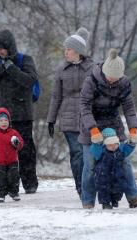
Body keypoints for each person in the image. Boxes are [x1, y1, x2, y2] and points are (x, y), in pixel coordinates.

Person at [79, 48, 137, 209]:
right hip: (91, 124)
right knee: (90, 165)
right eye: (110, 77)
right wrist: (93, 129)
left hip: (113, 124)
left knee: (123, 161)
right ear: (104, 71)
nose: (112, 80)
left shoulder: (123, 83)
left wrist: (133, 129)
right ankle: (88, 201)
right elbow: (85, 107)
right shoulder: (91, 81)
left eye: (116, 78)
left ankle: (133, 197)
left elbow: (129, 108)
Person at [0, 29, 38, 194]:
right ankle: (6, 185)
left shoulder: (25, 60)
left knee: (26, 150)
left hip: (23, 115)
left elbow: (29, 80)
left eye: (2, 48)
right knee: (3, 152)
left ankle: (30, 183)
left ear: (10, 47)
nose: (0, 52)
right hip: (4, 117)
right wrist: (2, 67)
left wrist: (12, 68)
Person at [47, 27, 94, 198]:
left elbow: (97, 94)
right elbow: (55, 97)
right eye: (65, 49)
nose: (65, 52)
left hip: (87, 118)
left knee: (88, 155)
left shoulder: (92, 68)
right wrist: (50, 120)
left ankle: (89, 186)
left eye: (68, 49)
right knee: (77, 154)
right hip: (67, 119)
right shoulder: (61, 70)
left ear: (78, 51)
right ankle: (81, 188)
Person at [90, 128, 137, 209]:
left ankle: (115, 200)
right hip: (103, 176)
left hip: (117, 176)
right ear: (105, 144)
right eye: (110, 145)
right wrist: (97, 143)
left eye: (115, 144)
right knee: (104, 191)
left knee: (117, 191)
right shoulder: (101, 152)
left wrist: (132, 143)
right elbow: (94, 149)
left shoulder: (120, 151)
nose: (113, 147)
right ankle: (106, 204)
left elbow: (128, 149)